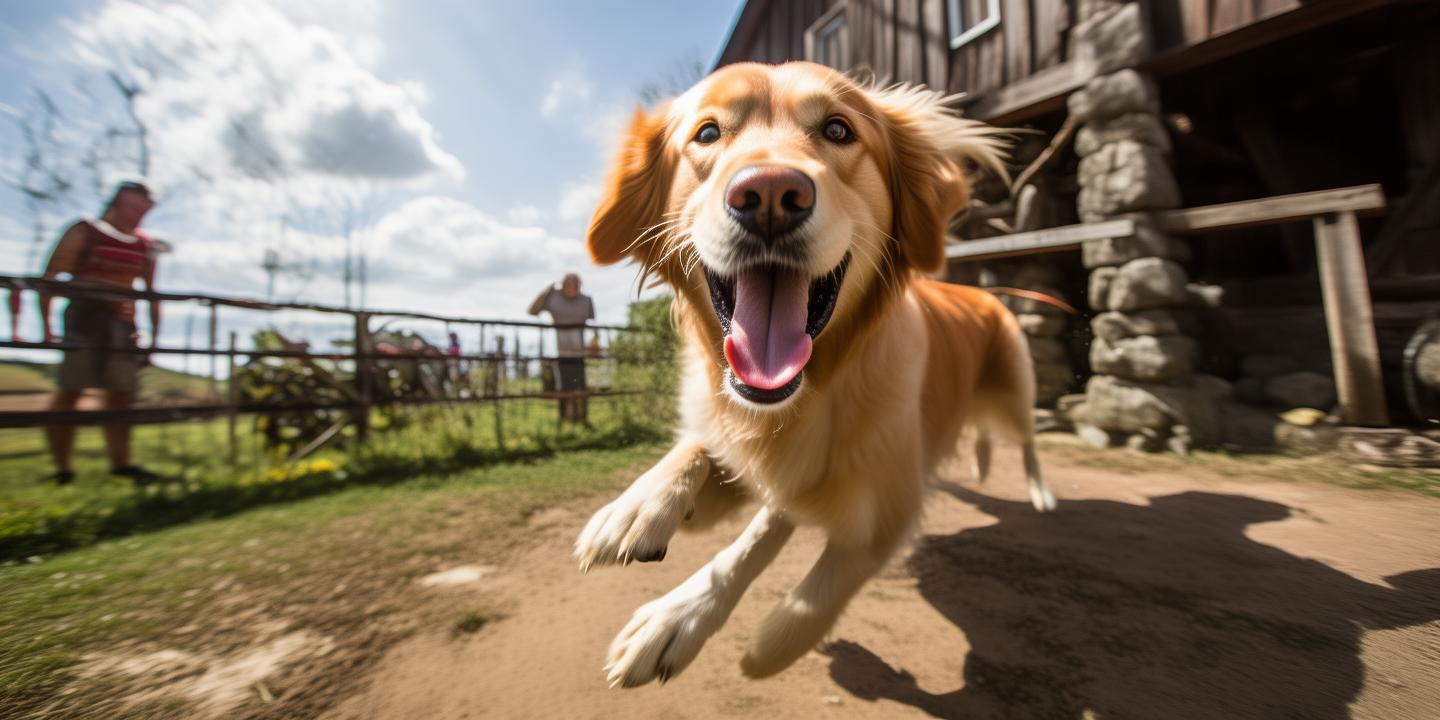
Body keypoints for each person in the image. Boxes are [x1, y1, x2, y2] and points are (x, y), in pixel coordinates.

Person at [38, 179, 162, 485]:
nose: (139, 214)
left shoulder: (145, 245)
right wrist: (47, 327)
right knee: (70, 390)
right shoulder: (84, 231)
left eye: (145, 209)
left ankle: (121, 463)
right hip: (83, 319)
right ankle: (62, 469)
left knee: (121, 394)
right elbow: (50, 276)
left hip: (122, 325)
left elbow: (150, 293)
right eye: (135, 206)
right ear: (118, 201)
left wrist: (153, 338)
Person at [528, 272, 595, 423]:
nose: (571, 287)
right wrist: (547, 290)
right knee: (564, 387)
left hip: (579, 352)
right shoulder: (553, 298)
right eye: (568, 284)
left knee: (581, 387)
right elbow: (532, 311)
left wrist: (591, 345)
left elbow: (592, 325)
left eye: (575, 284)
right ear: (562, 285)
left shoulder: (586, 301)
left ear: (580, 286)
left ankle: (582, 420)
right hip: (561, 351)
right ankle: (564, 420)